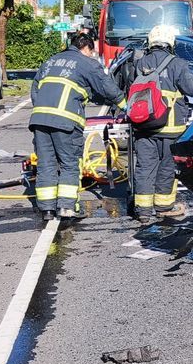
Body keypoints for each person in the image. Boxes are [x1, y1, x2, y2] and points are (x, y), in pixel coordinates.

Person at [29, 32, 123, 222]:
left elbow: (35, 89)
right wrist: (125, 105)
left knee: (46, 164)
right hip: (66, 122)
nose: (92, 55)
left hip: (39, 120)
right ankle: (66, 207)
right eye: (92, 52)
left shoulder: (51, 61)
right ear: (86, 48)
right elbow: (106, 86)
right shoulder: (86, 62)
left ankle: (47, 209)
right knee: (69, 163)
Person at [130, 24, 193, 222]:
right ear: (170, 43)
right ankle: (163, 207)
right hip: (170, 128)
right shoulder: (177, 63)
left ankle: (143, 212)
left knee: (145, 168)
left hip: (144, 126)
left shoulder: (139, 62)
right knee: (166, 167)